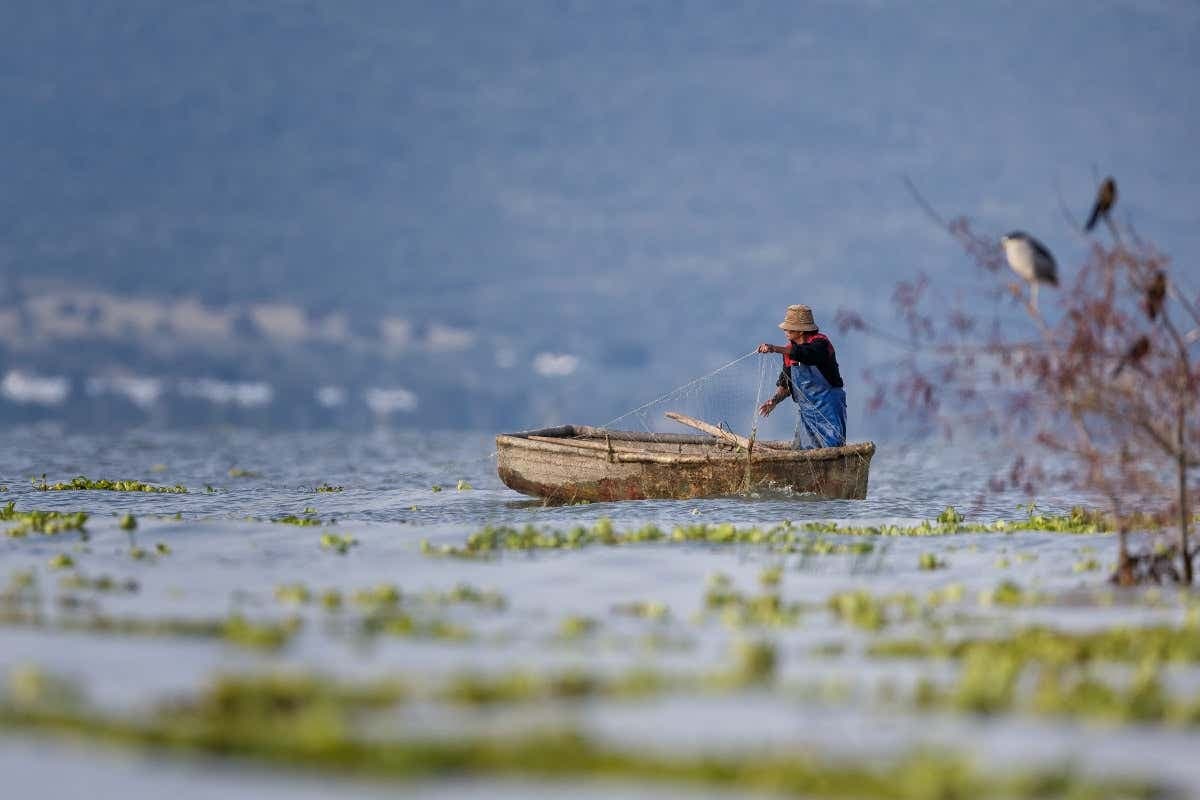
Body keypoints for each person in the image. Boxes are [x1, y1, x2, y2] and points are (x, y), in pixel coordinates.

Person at [757, 304, 847, 449]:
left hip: (829, 408)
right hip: (808, 413)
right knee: (803, 448)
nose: (785, 331)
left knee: (833, 447)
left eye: (789, 327)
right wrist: (773, 401)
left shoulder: (821, 344)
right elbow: (786, 383)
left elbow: (807, 354)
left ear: (801, 331)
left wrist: (774, 348)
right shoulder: (789, 352)